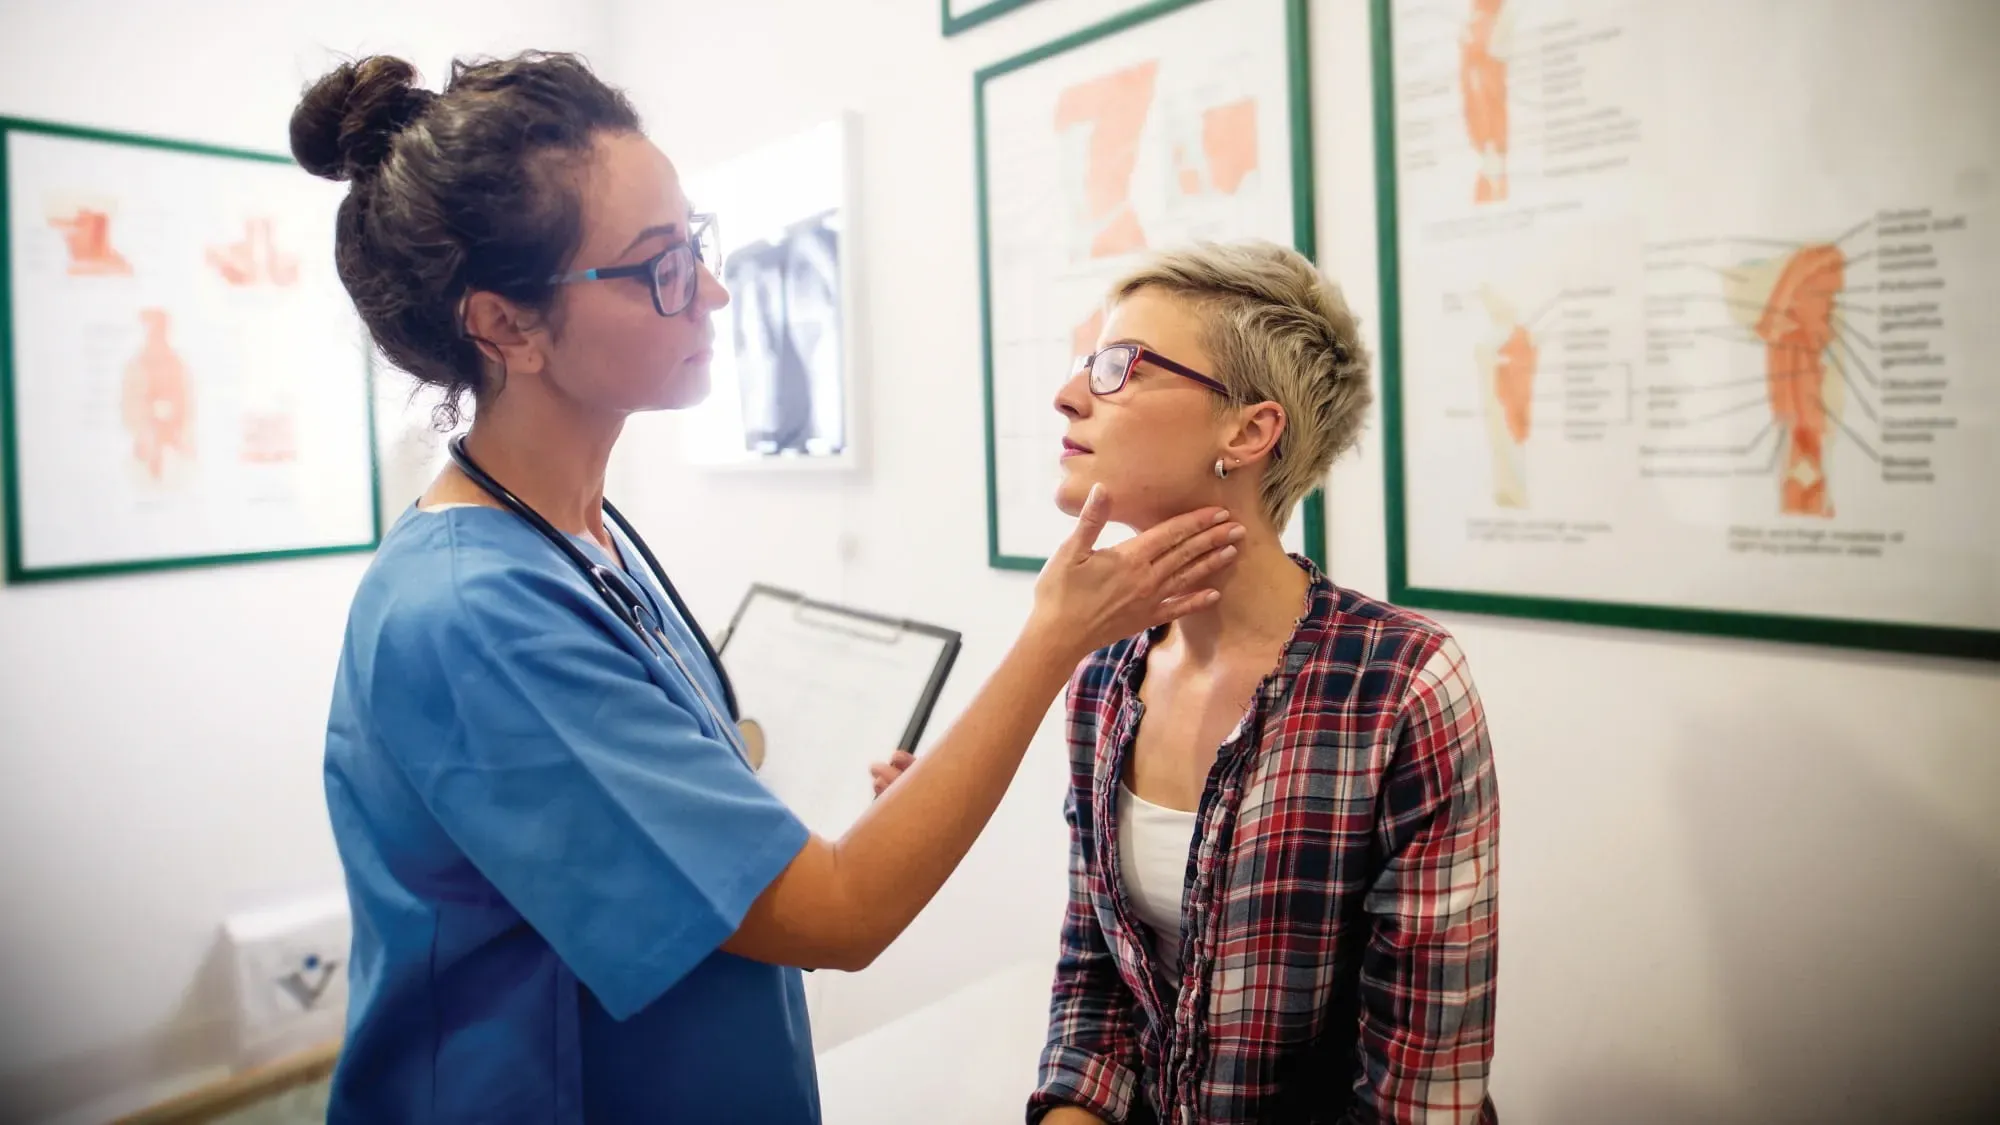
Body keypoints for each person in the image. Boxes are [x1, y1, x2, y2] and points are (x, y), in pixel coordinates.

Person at [301, 52, 1247, 1124]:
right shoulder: (472, 616)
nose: (711, 289)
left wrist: (889, 803)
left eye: (695, 243)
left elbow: (695, 809)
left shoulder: (578, 535)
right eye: (659, 267)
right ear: (504, 327)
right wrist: (1054, 638)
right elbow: (834, 917)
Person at [875, 241, 1500, 1123]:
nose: (1068, 392)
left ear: (1248, 430)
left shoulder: (1402, 685)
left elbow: (1421, 1087)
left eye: (1119, 365)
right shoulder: (1104, 673)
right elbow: (1095, 982)